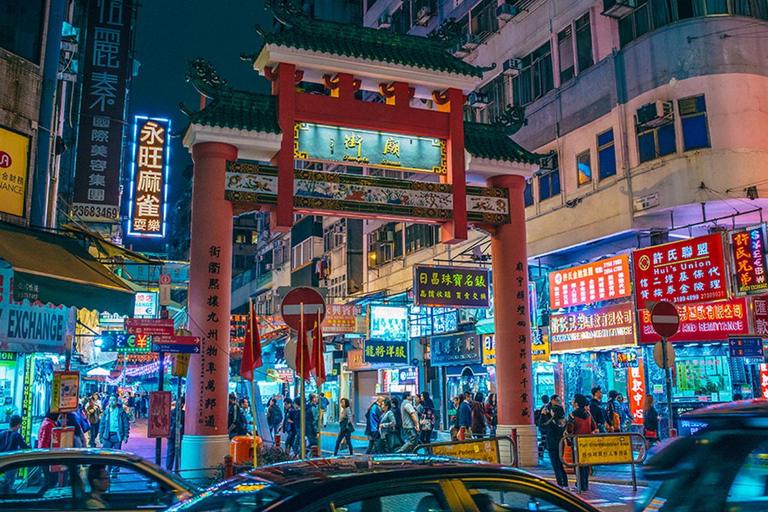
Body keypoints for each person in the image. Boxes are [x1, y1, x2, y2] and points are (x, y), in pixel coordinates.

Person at [567, 394, 597, 492]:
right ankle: (585, 484)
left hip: (576, 443)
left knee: (577, 465)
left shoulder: (572, 415)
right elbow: (593, 426)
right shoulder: (588, 414)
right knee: (585, 465)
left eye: (573, 400)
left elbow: (570, 429)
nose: (572, 401)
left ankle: (579, 485)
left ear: (576, 403)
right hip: (587, 443)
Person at [539, 395, 568, 488]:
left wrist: (543, 415)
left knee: (556, 466)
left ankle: (560, 485)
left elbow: (542, 426)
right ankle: (565, 484)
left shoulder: (552, 422)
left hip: (552, 445)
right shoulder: (563, 421)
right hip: (560, 444)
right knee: (560, 465)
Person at [166, 397, 185, 471]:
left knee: (170, 454)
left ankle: (168, 471)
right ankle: (180, 470)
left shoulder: (171, 412)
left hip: (171, 436)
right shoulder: (182, 414)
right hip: (178, 436)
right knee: (179, 454)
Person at [536, 395, 550, 459]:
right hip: (546, 428)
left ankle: (540, 451)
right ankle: (540, 450)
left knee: (544, 440)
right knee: (545, 440)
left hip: (543, 428)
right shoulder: (547, 408)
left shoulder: (543, 408)